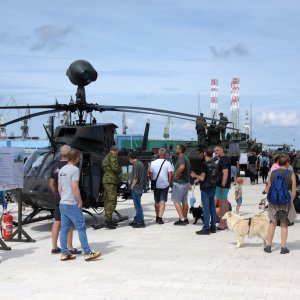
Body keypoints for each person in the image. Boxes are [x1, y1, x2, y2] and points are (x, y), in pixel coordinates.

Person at [58, 148, 101, 261]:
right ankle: (87, 252)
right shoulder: (75, 170)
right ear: (77, 158)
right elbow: (75, 187)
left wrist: (64, 197)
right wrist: (80, 201)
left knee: (64, 229)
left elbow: (59, 188)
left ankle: (64, 253)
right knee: (81, 227)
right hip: (72, 203)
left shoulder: (62, 170)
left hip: (63, 203)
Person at [49, 145, 80, 255]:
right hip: (69, 199)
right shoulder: (70, 167)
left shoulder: (55, 166)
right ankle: (70, 247)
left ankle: (54, 246)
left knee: (57, 221)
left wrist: (57, 194)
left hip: (59, 198)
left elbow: (51, 184)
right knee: (69, 223)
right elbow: (74, 185)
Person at [263, 155, 297, 254]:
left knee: (272, 223)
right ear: (287, 163)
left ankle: (268, 246)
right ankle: (283, 247)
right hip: (286, 201)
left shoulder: (272, 173)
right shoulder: (291, 174)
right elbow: (294, 190)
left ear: (278, 163)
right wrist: (290, 201)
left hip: (273, 201)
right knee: (284, 224)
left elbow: (268, 188)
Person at [191, 148, 217, 235]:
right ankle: (213, 227)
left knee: (206, 209)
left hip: (205, 188)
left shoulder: (204, 164)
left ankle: (206, 228)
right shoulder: (214, 164)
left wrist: (195, 175)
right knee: (212, 207)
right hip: (213, 187)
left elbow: (202, 178)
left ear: (205, 154)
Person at [149, 148, 174, 224]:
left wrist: (152, 180)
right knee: (162, 201)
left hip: (156, 184)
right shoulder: (168, 163)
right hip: (165, 184)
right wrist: (169, 182)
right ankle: (160, 218)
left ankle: (157, 216)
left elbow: (150, 173)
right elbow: (170, 174)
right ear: (165, 154)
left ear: (159, 154)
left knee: (156, 201)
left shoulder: (153, 163)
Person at [102, 145, 122, 230]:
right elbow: (115, 168)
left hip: (106, 180)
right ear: (115, 151)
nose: (117, 153)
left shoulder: (106, 157)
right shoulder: (113, 157)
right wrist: (120, 169)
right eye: (117, 151)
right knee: (112, 200)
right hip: (111, 180)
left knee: (107, 200)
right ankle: (108, 220)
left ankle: (108, 219)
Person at [172, 144, 191, 225]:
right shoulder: (186, 158)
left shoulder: (181, 158)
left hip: (179, 183)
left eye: (177, 148)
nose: (176, 149)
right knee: (184, 201)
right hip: (186, 182)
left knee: (175, 200)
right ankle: (185, 218)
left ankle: (182, 219)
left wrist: (176, 174)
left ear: (180, 150)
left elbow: (182, 167)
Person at [214, 146, 231, 230]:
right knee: (225, 204)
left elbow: (225, 173)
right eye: (214, 151)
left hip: (222, 186)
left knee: (222, 205)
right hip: (224, 185)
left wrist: (222, 186)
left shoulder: (223, 160)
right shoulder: (225, 159)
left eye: (217, 150)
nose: (215, 152)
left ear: (222, 150)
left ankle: (222, 224)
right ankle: (226, 223)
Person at [128, 152, 146, 228]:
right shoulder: (141, 164)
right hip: (140, 187)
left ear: (130, 158)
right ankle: (136, 220)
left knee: (137, 206)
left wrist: (132, 186)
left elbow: (135, 178)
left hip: (136, 188)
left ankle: (140, 222)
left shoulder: (135, 165)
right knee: (138, 205)